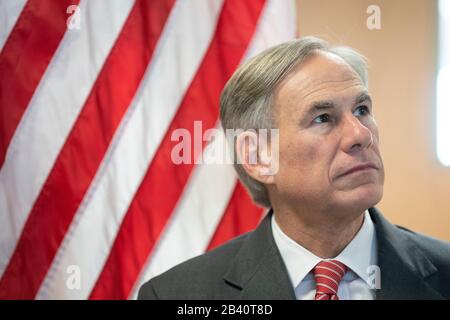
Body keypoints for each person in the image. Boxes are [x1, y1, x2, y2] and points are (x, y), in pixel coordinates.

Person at [138, 36, 450, 300]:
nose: (361, 135)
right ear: (258, 156)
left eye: (361, 110)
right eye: (323, 118)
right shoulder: (177, 295)